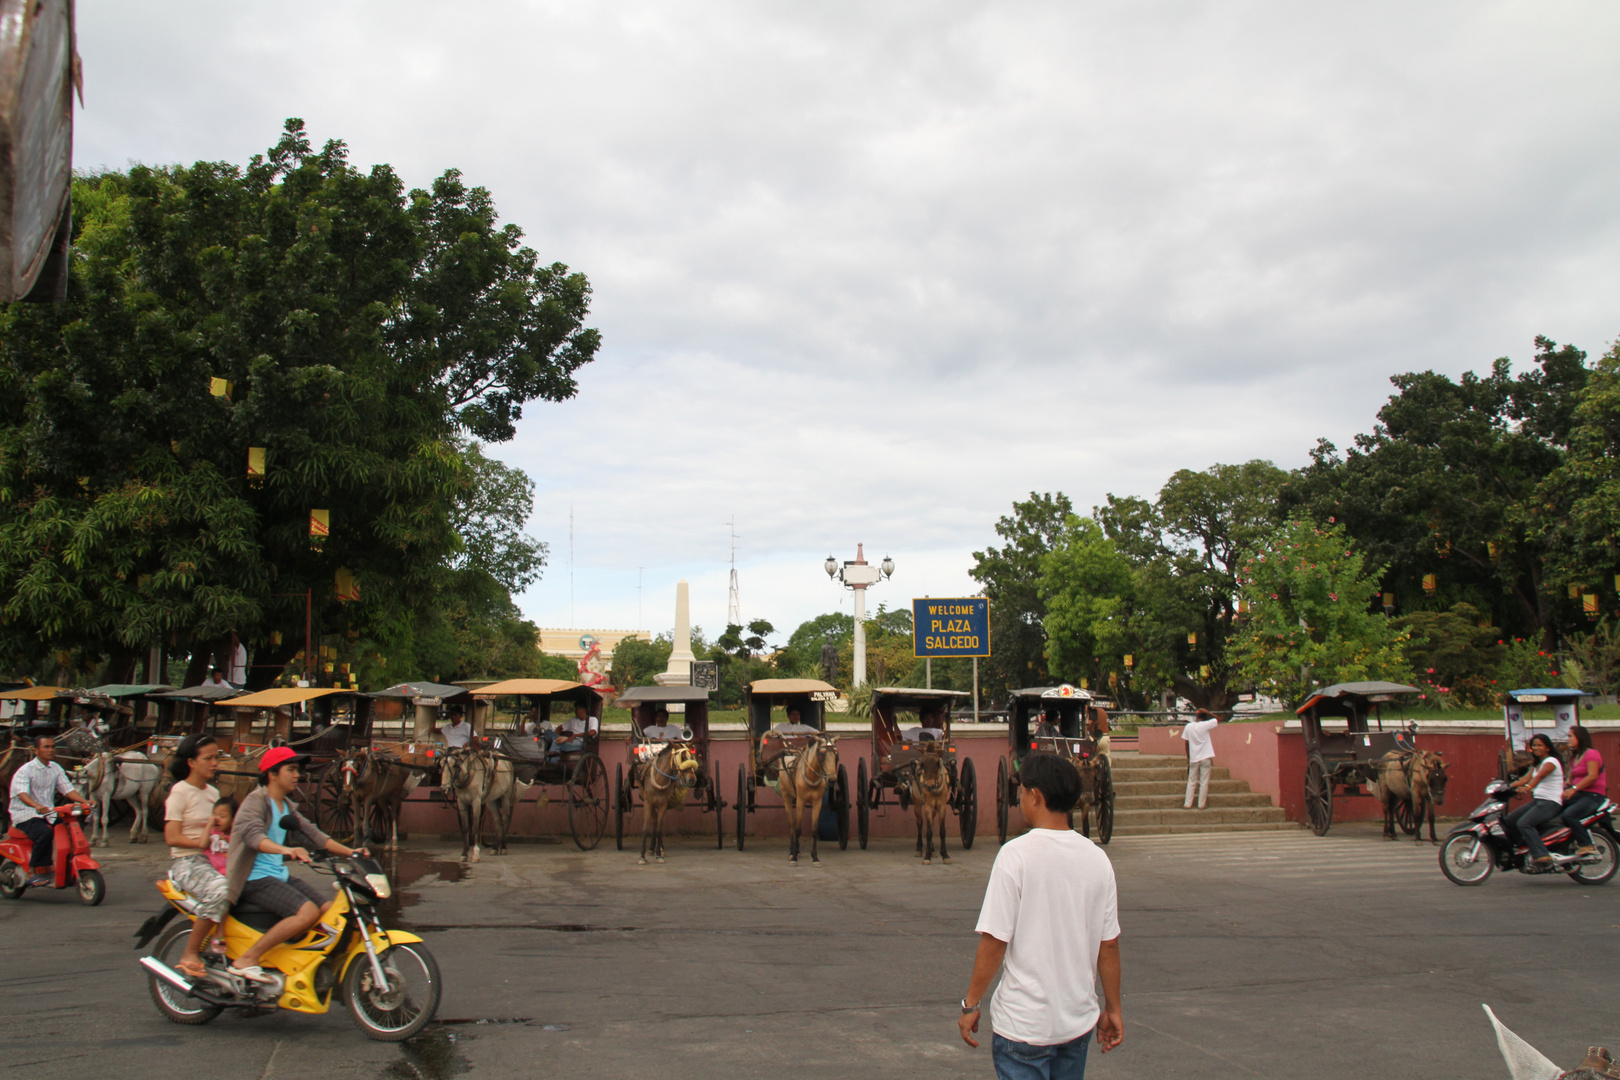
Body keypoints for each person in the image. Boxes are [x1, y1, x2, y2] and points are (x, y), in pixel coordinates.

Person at [958, 752, 1122, 1078]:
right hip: (1076, 1024)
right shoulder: (1097, 859)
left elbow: (994, 941)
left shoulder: (1015, 855)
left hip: (1024, 1026)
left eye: (1021, 792)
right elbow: (1109, 946)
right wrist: (1114, 1008)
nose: (1019, 799)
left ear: (1036, 796)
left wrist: (971, 1004)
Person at [225, 747, 367, 982]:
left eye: (297, 770)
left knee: (328, 911)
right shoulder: (256, 801)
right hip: (253, 878)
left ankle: (296, 961)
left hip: (276, 875)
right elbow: (254, 837)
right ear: (272, 774)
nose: (296, 775)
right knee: (307, 911)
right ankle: (248, 959)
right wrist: (287, 850)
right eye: (290, 770)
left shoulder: (286, 806)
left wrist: (352, 852)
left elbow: (315, 835)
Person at [163, 734, 227, 978]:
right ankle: (190, 952)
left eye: (216, 757)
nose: (214, 763)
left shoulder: (213, 793)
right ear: (191, 762)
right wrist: (201, 843)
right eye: (208, 758)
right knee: (221, 889)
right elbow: (172, 836)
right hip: (188, 862)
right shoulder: (180, 791)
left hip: (216, 859)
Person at [8, 735, 93, 887]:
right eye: (46, 747)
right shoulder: (25, 770)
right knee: (45, 833)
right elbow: (22, 794)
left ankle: (67, 865)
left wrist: (84, 802)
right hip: (25, 814)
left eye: (52, 747)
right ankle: (33, 872)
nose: (50, 750)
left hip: (49, 814)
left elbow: (68, 790)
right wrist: (36, 806)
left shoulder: (55, 768)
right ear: (36, 750)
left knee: (71, 828)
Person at [1504, 732, 1563, 868]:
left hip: (1550, 802)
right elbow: (1525, 778)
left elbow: (1539, 777)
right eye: (1534, 745)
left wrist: (1528, 787)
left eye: (1539, 745)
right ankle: (1524, 848)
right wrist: (1505, 786)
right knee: (1510, 821)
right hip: (1538, 801)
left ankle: (1542, 854)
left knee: (1524, 823)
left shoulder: (1551, 762)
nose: (1536, 748)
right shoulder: (1538, 764)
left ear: (1547, 747)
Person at [1561, 725, 1605, 859]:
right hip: (1579, 794)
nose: (1568, 739)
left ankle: (1586, 844)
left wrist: (1573, 789)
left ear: (1579, 737)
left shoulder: (1591, 753)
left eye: (1570, 736)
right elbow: (1572, 776)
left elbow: (1592, 776)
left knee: (1570, 815)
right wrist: (1567, 784)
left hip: (1593, 795)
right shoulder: (1576, 757)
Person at [1181, 709, 1221, 811]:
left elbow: (1186, 743)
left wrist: (1188, 758)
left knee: (1191, 781)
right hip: (1206, 757)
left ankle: (1187, 804)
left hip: (1194, 758)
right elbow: (1219, 719)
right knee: (1204, 782)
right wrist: (1208, 712)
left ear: (1196, 716)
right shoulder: (1206, 725)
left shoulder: (1188, 727)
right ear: (1205, 717)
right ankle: (1201, 805)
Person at [206, 797, 236, 873]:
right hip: (210, 869)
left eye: (222, 816)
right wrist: (209, 825)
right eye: (214, 815)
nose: (216, 819)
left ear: (233, 820)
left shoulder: (235, 837)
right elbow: (202, 844)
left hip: (227, 871)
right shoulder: (211, 833)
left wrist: (228, 842)